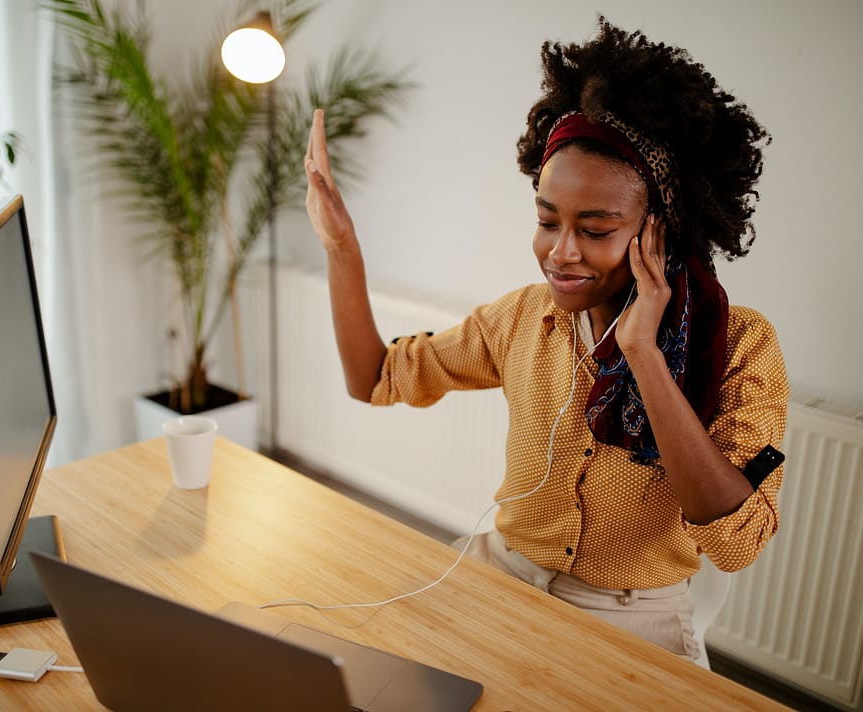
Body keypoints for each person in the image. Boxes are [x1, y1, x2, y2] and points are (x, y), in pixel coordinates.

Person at [303, 17, 789, 660]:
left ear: (657, 230)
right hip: (499, 575)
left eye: (595, 229)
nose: (560, 253)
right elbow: (375, 378)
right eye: (546, 220)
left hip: (632, 620)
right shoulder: (524, 319)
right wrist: (343, 250)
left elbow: (737, 541)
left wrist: (644, 354)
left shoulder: (741, 345)